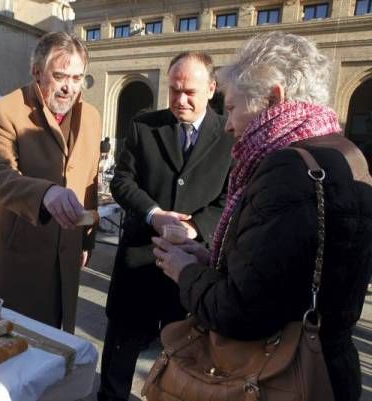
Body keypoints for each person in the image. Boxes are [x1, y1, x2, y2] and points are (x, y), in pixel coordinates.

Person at [152, 32, 372, 401]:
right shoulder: (346, 153)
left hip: (277, 377)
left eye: (233, 107)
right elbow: (282, 277)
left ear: (273, 98)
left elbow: (240, 310)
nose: (227, 124)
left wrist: (185, 271)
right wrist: (213, 260)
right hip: (329, 371)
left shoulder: (286, 170)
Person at [98, 52, 234, 401]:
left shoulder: (230, 135)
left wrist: (197, 228)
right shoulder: (145, 125)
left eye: (189, 91)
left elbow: (232, 196)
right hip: (140, 258)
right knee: (119, 356)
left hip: (192, 266)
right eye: (174, 91)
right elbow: (122, 181)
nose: (180, 100)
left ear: (211, 89)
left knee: (184, 363)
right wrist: (154, 214)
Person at [0, 31, 101, 333]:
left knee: (60, 348)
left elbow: (90, 178)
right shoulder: (4, 111)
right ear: (37, 72)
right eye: (60, 76)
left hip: (68, 253)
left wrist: (86, 237)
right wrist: (45, 193)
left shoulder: (91, 116)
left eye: (77, 78)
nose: (68, 88)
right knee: (18, 347)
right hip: (21, 256)